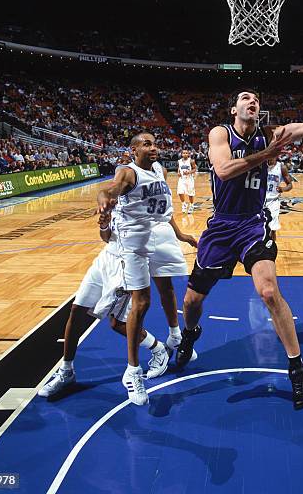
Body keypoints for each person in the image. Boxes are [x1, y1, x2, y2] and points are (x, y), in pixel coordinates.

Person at [176, 64, 303, 410]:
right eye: (245, 97)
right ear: (234, 109)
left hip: (252, 225)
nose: (252, 101)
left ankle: (297, 366)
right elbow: (224, 171)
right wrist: (266, 156)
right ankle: (189, 336)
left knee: (269, 291)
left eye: (256, 98)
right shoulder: (220, 134)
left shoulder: (272, 133)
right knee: (191, 303)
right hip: (221, 227)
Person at [38, 209, 197, 398]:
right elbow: (106, 236)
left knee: (117, 323)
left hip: (126, 264)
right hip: (104, 260)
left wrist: (180, 236)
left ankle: (157, 350)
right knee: (76, 311)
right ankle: (66, 370)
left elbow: (164, 212)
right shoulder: (116, 195)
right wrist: (104, 223)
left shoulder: (143, 192)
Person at [97, 132, 195, 405]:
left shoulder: (160, 170)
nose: (154, 147)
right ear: (134, 149)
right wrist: (103, 198)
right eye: (147, 144)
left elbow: (164, 209)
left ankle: (175, 337)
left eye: (155, 143)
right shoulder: (128, 172)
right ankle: (133, 370)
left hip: (159, 233)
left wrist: (180, 235)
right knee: (140, 304)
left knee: (167, 288)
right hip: (134, 240)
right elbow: (110, 189)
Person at [264, 157, 293, 241]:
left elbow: (290, 185)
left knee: (273, 228)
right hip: (259, 200)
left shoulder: (281, 167)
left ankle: (272, 249)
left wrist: (283, 189)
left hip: (273, 201)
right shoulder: (261, 165)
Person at [177, 149, 197, 214]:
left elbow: (194, 169)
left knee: (190, 193)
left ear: (188, 154)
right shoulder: (179, 161)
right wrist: (178, 173)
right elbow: (179, 168)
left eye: (186, 153)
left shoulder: (191, 161)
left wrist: (189, 172)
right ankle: (184, 204)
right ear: (181, 154)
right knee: (180, 192)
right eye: (183, 153)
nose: (185, 154)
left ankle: (191, 205)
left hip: (189, 179)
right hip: (182, 179)